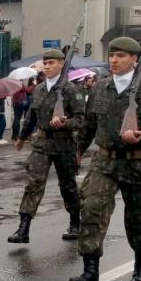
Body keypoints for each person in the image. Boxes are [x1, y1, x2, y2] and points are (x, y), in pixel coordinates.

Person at [68, 37, 141, 281]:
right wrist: (78, 150)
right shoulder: (100, 88)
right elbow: (90, 124)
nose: (114, 60)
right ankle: (90, 272)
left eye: (121, 55)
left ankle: (140, 266)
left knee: (137, 217)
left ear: (135, 59)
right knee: (91, 208)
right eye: (112, 55)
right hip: (105, 161)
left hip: (138, 163)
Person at [11, 49, 85, 244]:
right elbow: (31, 116)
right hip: (42, 143)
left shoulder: (72, 90)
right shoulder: (39, 89)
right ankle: (23, 228)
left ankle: (75, 222)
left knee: (68, 185)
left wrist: (65, 123)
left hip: (64, 143)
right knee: (34, 183)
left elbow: (80, 119)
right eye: (45, 63)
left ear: (62, 64)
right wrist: (22, 136)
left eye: (51, 62)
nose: (47, 66)